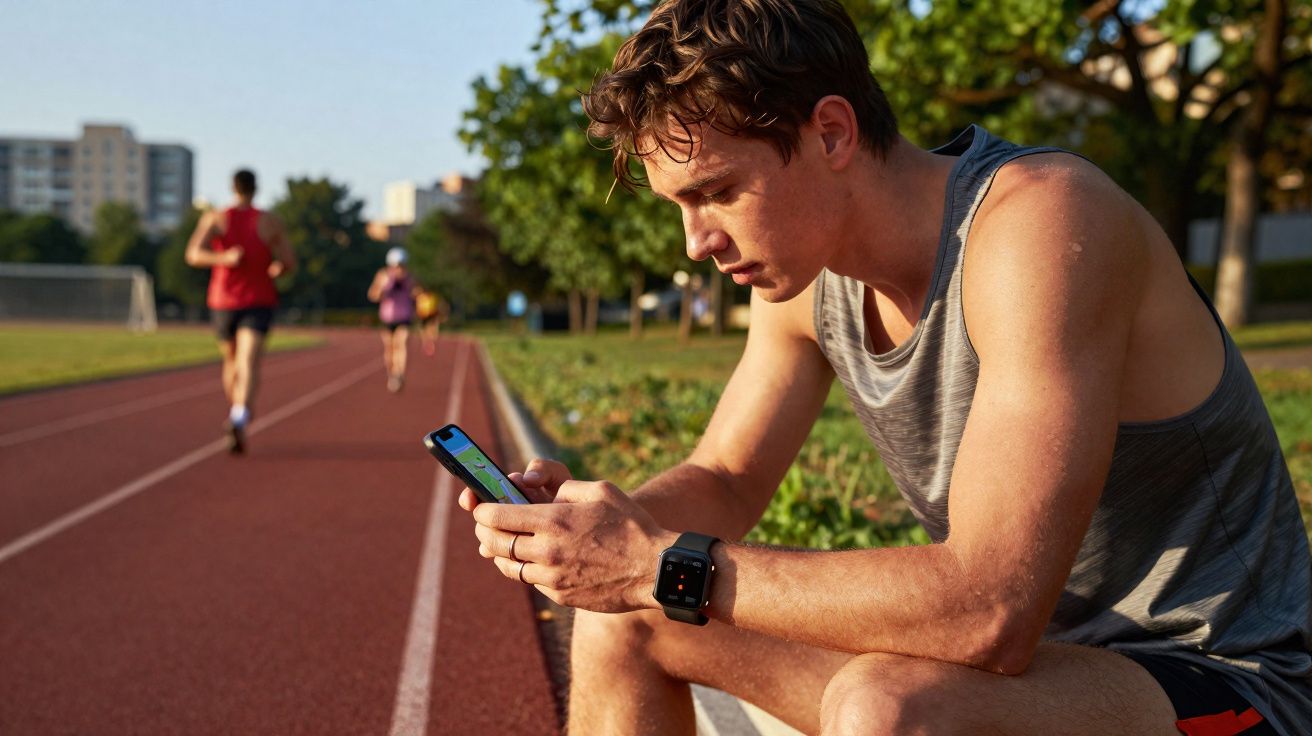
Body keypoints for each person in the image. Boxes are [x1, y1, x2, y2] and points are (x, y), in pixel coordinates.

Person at [456, 2, 1312, 735]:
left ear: (831, 131)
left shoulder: (1041, 225)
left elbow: (988, 609)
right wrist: (595, 539)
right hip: (1021, 682)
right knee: (623, 623)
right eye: (680, 204)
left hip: (1219, 678)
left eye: (715, 192)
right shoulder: (804, 276)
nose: (697, 242)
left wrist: (653, 562)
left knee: (887, 704)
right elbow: (724, 477)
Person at [186, 169, 294, 454]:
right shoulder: (269, 222)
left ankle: (238, 413)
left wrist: (220, 257)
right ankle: (239, 412)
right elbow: (288, 261)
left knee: (235, 362)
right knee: (244, 362)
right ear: (256, 188)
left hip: (229, 301)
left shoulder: (215, 218)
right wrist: (274, 267)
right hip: (247, 299)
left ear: (232, 187)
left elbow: (194, 254)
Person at [367, 247, 420, 392]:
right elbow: (373, 295)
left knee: (401, 343)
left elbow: (417, 294)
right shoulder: (383, 276)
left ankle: (399, 374)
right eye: (396, 265)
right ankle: (391, 374)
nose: (399, 269)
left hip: (404, 317)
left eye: (401, 265)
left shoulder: (410, 278)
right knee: (389, 348)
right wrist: (385, 287)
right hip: (387, 317)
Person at [414, 287, 447, 357]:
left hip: (431, 315)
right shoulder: (421, 297)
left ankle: (431, 341)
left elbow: (437, 306)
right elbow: (418, 308)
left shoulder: (431, 297)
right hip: (424, 316)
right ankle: (427, 342)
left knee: (431, 329)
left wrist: (440, 315)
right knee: (424, 330)